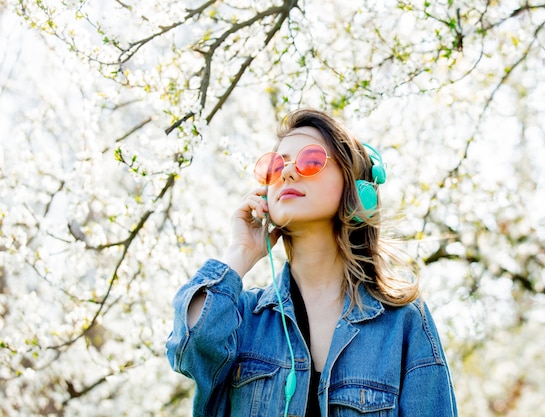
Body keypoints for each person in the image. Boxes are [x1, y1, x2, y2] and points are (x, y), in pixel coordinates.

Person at [166, 109, 458, 417]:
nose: (288, 173)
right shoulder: (242, 317)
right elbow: (188, 348)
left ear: (355, 187)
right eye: (276, 167)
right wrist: (241, 251)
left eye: (311, 161)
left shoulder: (403, 323)